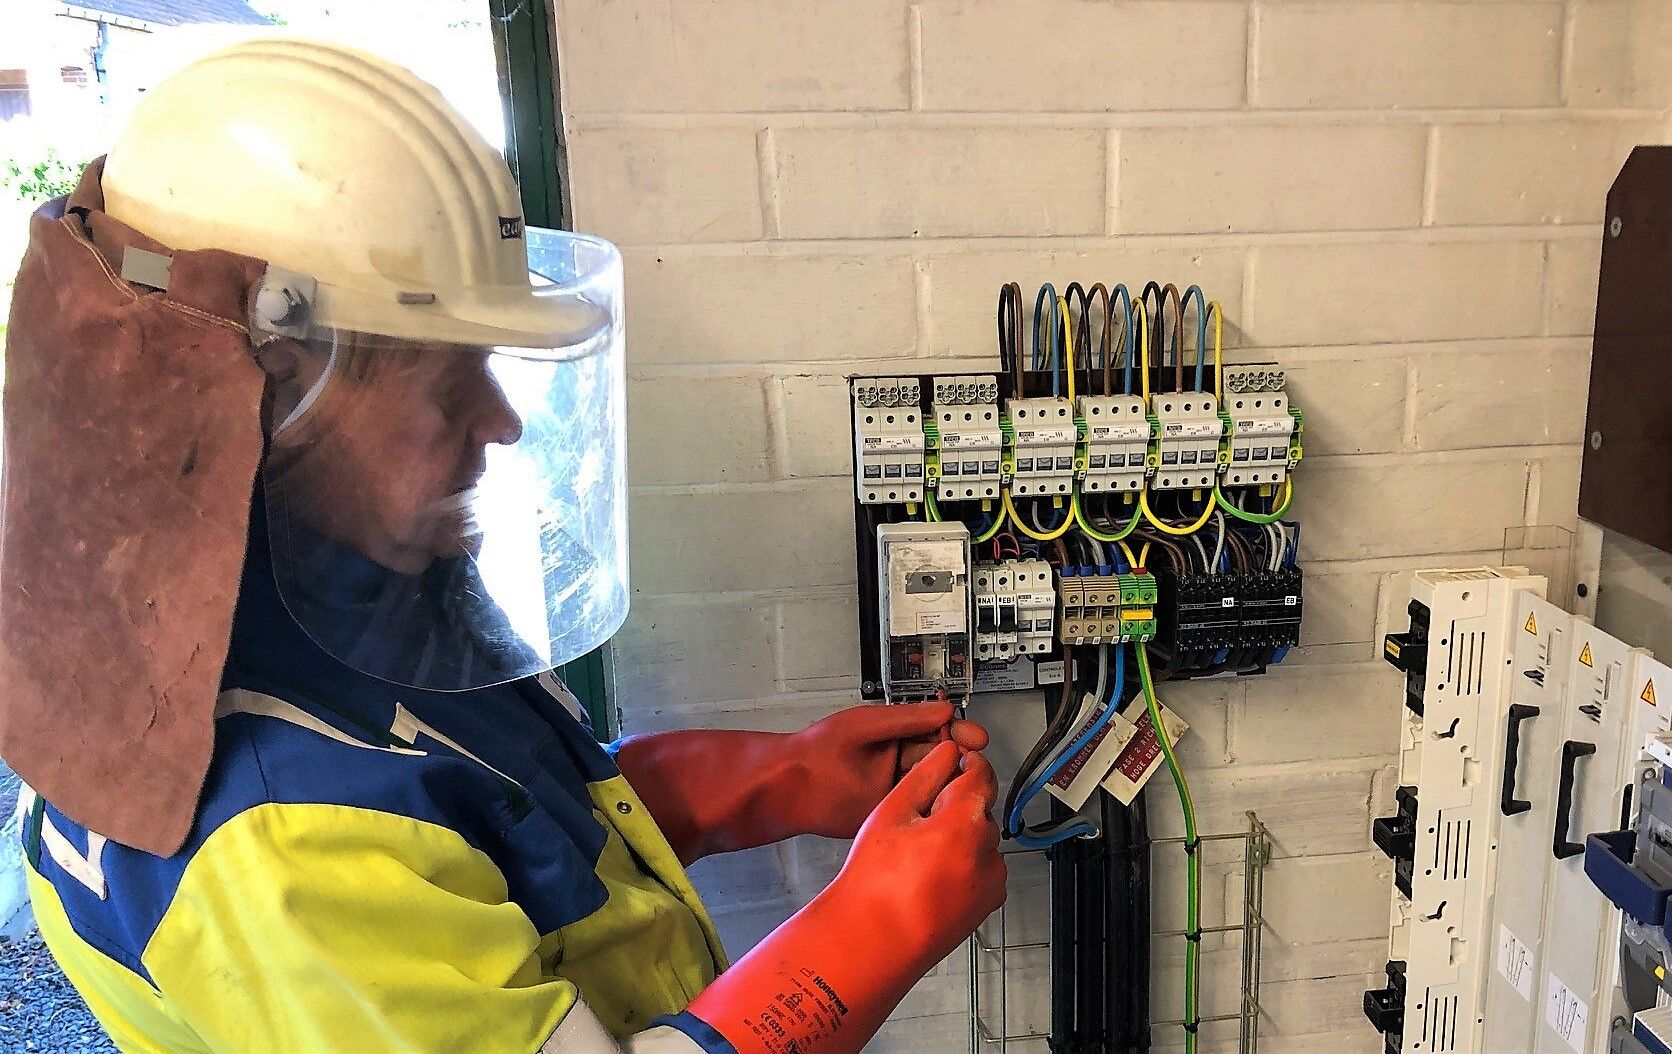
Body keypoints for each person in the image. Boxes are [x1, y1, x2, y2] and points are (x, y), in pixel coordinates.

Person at [0, 38, 1006, 1054]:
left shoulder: (311, 603)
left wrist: (770, 782)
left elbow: (511, 828)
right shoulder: (283, 843)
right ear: (274, 392)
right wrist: (872, 932)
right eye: (449, 384)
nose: (501, 420)